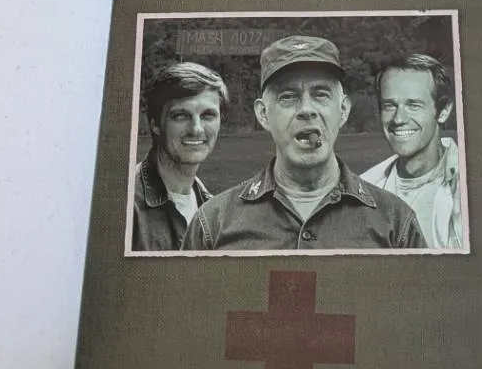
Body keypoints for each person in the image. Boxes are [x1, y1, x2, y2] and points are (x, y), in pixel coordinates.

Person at [182, 36, 426, 252]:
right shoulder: (213, 223)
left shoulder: (395, 221)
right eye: (288, 97)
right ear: (263, 114)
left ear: (343, 110)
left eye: (321, 94)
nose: (306, 109)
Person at [359, 54, 463, 250]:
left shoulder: (469, 188)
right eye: (389, 106)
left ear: (443, 111)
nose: (399, 119)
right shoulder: (364, 188)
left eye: (414, 105)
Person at [131, 62, 228, 251]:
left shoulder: (213, 209)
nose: (196, 129)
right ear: (155, 124)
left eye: (207, 115)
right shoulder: (127, 205)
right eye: (181, 116)